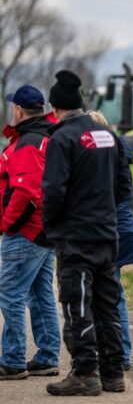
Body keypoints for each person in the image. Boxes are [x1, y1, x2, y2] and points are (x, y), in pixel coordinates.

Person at [42, 71, 132, 396]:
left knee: (78, 305)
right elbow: (125, 186)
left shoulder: (61, 138)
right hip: (107, 235)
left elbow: (52, 191)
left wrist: (51, 226)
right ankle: (112, 373)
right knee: (107, 305)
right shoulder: (106, 134)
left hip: (76, 239)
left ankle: (84, 374)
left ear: (55, 108)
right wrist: (104, 209)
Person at [0, 86, 60, 380]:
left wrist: (5, 225)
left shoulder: (28, 143)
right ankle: (47, 355)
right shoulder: (47, 138)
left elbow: (25, 191)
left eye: (13, 107)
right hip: (46, 231)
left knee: (11, 294)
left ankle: (12, 360)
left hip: (26, 231)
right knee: (40, 294)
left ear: (19, 111)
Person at [87, 110, 133, 371]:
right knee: (114, 293)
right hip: (123, 228)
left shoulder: (102, 157)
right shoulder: (121, 153)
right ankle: (121, 353)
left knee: (107, 294)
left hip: (109, 230)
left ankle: (117, 353)